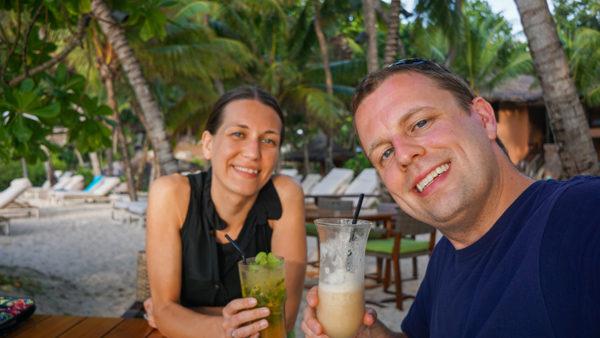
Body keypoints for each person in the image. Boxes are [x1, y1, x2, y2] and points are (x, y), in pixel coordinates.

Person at [301, 59, 600, 338]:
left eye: (420, 123)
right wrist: (367, 333)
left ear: (483, 119)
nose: (404, 154)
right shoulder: (445, 256)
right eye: (386, 153)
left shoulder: (582, 217)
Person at [145, 86, 307, 337]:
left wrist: (186, 315)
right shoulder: (170, 194)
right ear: (208, 145)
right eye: (238, 134)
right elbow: (165, 311)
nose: (253, 153)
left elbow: (282, 320)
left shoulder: (285, 196)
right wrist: (223, 326)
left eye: (268, 140)